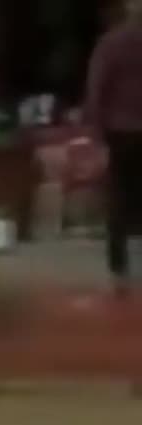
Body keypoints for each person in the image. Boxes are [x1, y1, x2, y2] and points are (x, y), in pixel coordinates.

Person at [86, 0, 142, 292]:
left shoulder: (111, 44)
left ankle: (118, 266)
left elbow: (96, 88)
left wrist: (95, 132)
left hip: (119, 131)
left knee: (118, 197)